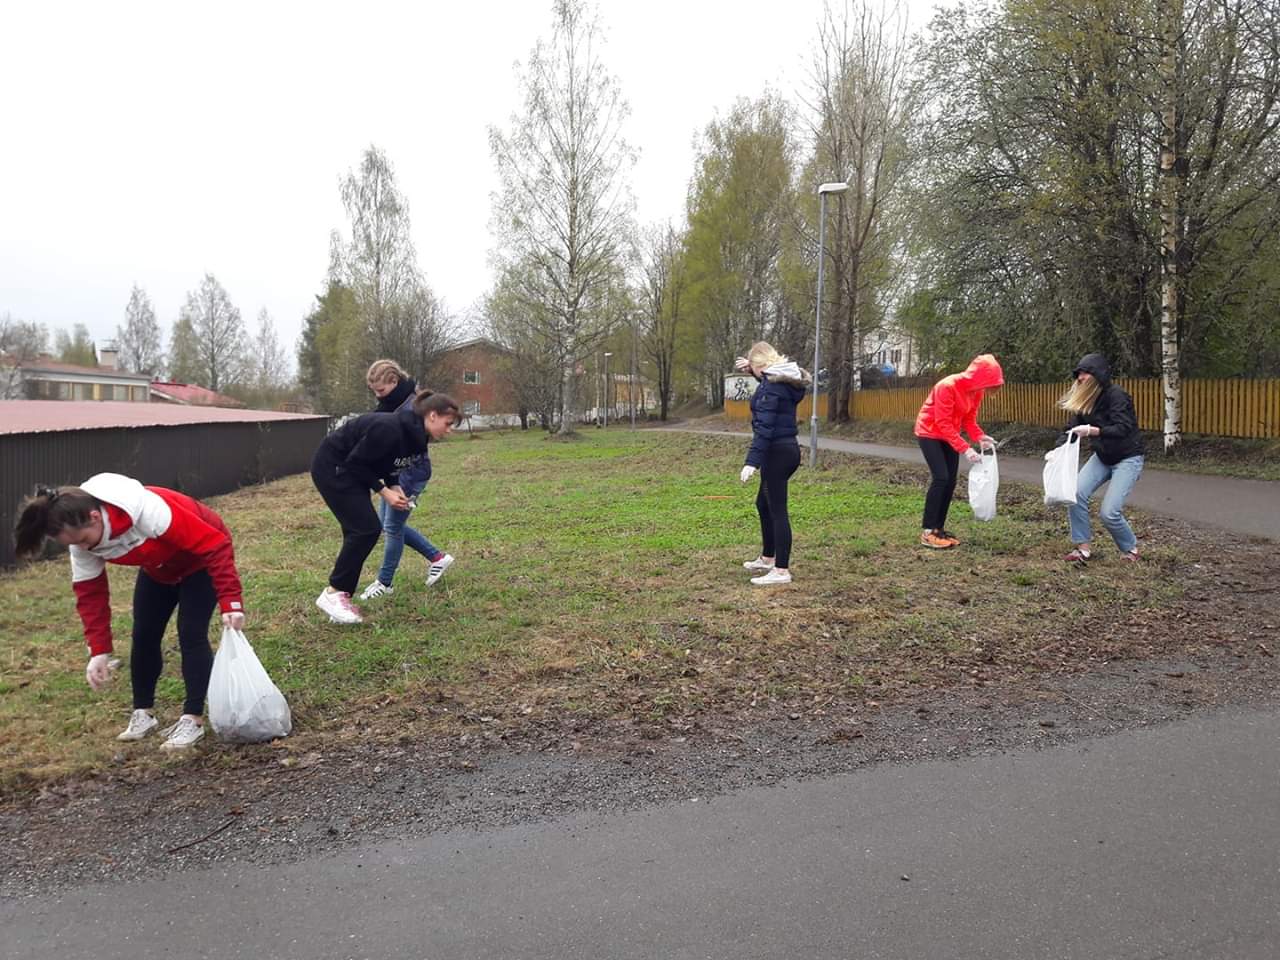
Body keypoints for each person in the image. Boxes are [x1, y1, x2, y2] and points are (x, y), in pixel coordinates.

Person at [12, 474, 246, 750]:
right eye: (74, 544)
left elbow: (214, 544)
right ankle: (143, 713)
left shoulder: (149, 511)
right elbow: (90, 595)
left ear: (95, 517)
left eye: (84, 539)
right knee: (144, 634)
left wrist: (230, 601)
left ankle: (192, 719)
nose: (84, 548)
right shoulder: (82, 543)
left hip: (199, 562)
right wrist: (99, 651)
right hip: (158, 568)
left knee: (190, 633)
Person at [311, 387, 460, 623]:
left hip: (350, 471)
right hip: (333, 468)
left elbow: (390, 464)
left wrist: (395, 486)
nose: (450, 430)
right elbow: (355, 463)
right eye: (448, 423)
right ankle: (333, 593)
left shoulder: (417, 438)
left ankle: (340, 599)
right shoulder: (389, 428)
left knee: (358, 531)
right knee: (365, 529)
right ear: (432, 415)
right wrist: (384, 492)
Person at [358, 360, 455, 601]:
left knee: (392, 527)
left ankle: (385, 582)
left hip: (410, 473)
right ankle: (437, 557)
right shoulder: (391, 404)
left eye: (381, 390)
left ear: (394, 381)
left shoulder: (413, 405)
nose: (378, 396)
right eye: (374, 391)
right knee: (389, 525)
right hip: (396, 472)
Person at [734, 341, 811, 586]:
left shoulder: (771, 388)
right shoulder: (782, 380)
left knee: (777, 510)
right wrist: (753, 370)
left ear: (762, 366)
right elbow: (768, 386)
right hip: (785, 450)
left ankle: (781, 570)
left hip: (776, 453)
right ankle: (768, 558)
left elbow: (765, 429)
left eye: (754, 367)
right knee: (763, 503)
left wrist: (751, 462)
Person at [1058, 353, 1145, 563]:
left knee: (1109, 512)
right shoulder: (1086, 399)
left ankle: (1130, 550)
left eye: (1085, 373)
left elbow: (1123, 428)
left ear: (1098, 375)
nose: (1080, 378)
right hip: (1103, 456)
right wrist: (1058, 449)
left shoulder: (1117, 396)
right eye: (1079, 374)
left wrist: (1093, 431)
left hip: (1128, 457)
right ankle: (1083, 549)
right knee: (1076, 494)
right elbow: (1071, 428)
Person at [913, 354, 1005, 548]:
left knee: (950, 481)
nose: (988, 389)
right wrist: (965, 449)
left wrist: (980, 437)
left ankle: (938, 529)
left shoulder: (976, 391)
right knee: (941, 478)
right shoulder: (947, 386)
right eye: (988, 384)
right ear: (978, 377)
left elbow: (969, 421)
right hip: (929, 432)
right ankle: (928, 531)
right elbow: (942, 422)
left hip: (949, 434)